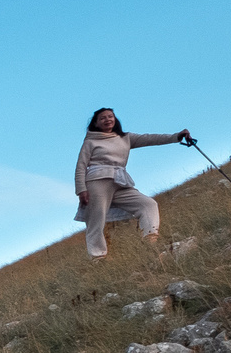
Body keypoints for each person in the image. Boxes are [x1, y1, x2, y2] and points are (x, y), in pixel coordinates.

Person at [73, 107, 192, 260]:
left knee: (147, 204)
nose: (108, 119)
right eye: (103, 118)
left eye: (110, 116)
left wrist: (176, 136)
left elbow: (150, 139)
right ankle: (98, 257)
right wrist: (81, 189)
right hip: (97, 181)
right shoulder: (90, 142)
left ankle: (150, 240)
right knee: (96, 218)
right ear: (96, 123)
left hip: (121, 181)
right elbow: (80, 166)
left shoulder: (125, 138)